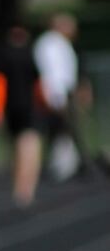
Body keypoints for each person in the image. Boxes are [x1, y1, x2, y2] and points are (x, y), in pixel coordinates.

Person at [0, 25, 43, 206]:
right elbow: (41, 82)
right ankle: (27, 189)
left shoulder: (0, 54)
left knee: (15, 146)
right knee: (30, 145)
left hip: (10, 108)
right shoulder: (32, 53)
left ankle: (19, 187)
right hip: (29, 107)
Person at [33, 13, 92, 181]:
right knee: (62, 128)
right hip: (58, 92)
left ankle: (70, 163)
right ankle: (64, 165)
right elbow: (52, 73)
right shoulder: (50, 44)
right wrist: (57, 97)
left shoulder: (60, 43)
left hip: (65, 91)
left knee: (66, 129)